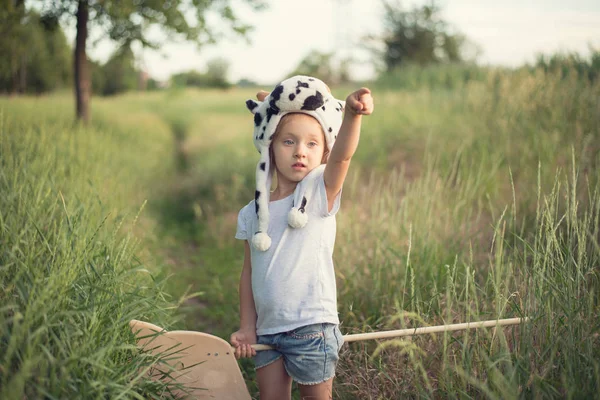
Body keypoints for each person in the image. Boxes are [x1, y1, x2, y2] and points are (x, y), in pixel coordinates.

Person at [230, 75, 374, 400]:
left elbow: (344, 157)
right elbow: (249, 273)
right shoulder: (252, 213)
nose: (300, 152)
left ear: (324, 152)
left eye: (312, 143)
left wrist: (352, 116)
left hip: (311, 328)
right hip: (268, 330)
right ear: (270, 146)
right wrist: (247, 326)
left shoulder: (319, 192)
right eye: (288, 141)